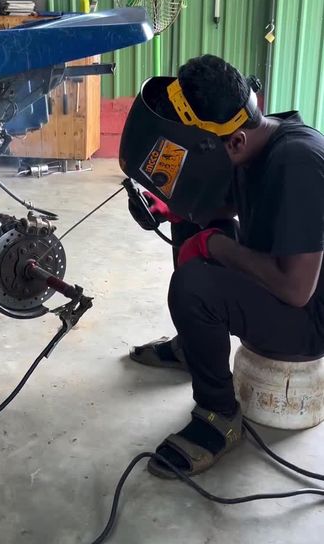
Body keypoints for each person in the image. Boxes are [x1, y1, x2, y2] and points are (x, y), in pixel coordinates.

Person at [127, 54, 324, 478]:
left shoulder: (297, 163)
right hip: (282, 280)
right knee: (190, 217)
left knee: (194, 285)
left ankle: (218, 416)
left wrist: (216, 246)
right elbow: (226, 202)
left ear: (233, 142)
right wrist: (168, 206)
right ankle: (193, 346)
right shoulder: (257, 141)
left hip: (310, 317)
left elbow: (296, 289)